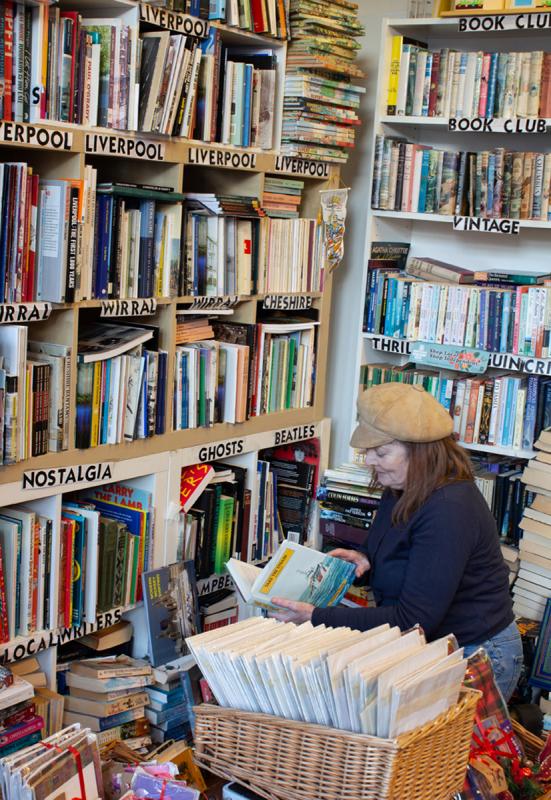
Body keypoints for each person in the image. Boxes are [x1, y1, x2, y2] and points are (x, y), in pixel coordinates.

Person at [272, 382, 523, 701]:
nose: (369, 462)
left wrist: (317, 616)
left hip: (478, 655)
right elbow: (402, 552)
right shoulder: (404, 486)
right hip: (434, 646)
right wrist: (366, 559)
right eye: (368, 451)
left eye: (381, 452)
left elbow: (412, 619)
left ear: (419, 451)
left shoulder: (448, 509)